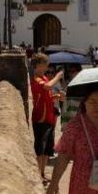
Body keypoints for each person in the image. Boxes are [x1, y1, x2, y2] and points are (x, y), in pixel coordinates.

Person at [29, 53, 64, 182]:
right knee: (40, 148)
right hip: (41, 118)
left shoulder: (43, 77)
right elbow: (47, 86)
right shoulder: (37, 79)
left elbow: (46, 95)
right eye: (45, 64)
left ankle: (42, 173)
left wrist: (56, 97)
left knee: (45, 149)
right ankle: (39, 174)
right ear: (38, 65)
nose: (47, 66)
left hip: (48, 117)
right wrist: (57, 76)